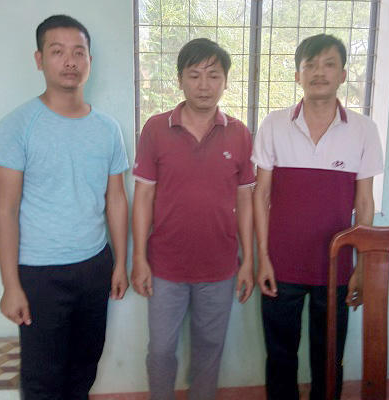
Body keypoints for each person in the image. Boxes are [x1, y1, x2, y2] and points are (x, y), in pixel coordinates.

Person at [0, 15, 129, 400]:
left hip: (95, 266)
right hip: (40, 273)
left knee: (84, 370)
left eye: (79, 52)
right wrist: (11, 286)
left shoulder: (107, 128)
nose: (70, 61)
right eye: (57, 51)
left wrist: (120, 262)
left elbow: (116, 198)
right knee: (42, 381)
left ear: (89, 61)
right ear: (39, 60)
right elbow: (5, 211)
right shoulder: (17, 126)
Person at [251, 33, 384, 400]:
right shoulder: (274, 124)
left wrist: (361, 266)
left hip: (337, 267)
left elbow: (365, 203)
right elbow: (261, 195)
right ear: (298, 75)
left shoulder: (363, 130)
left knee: (329, 358)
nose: (319, 73)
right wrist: (262, 258)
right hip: (281, 265)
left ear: (343, 74)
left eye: (329, 64)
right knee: (280, 356)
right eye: (310, 65)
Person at [131, 38, 255, 400]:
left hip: (220, 267)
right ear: (180, 80)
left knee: (209, 350)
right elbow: (143, 196)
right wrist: (139, 258)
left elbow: (245, 199)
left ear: (226, 81)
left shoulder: (239, 133)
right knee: (160, 350)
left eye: (214, 75)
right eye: (195, 75)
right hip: (165, 266)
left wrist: (248, 260)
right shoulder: (156, 129)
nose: (204, 85)